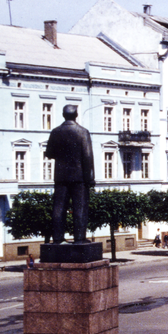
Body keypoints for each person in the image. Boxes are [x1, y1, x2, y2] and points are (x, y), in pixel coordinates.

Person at [45, 104, 94, 244]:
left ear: (63, 115)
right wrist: (90, 178)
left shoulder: (55, 132)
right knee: (80, 208)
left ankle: (58, 239)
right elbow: (88, 156)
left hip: (60, 176)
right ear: (76, 115)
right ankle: (79, 238)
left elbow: (49, 153)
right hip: (79, 177)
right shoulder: (83, 132)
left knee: (59, 207)